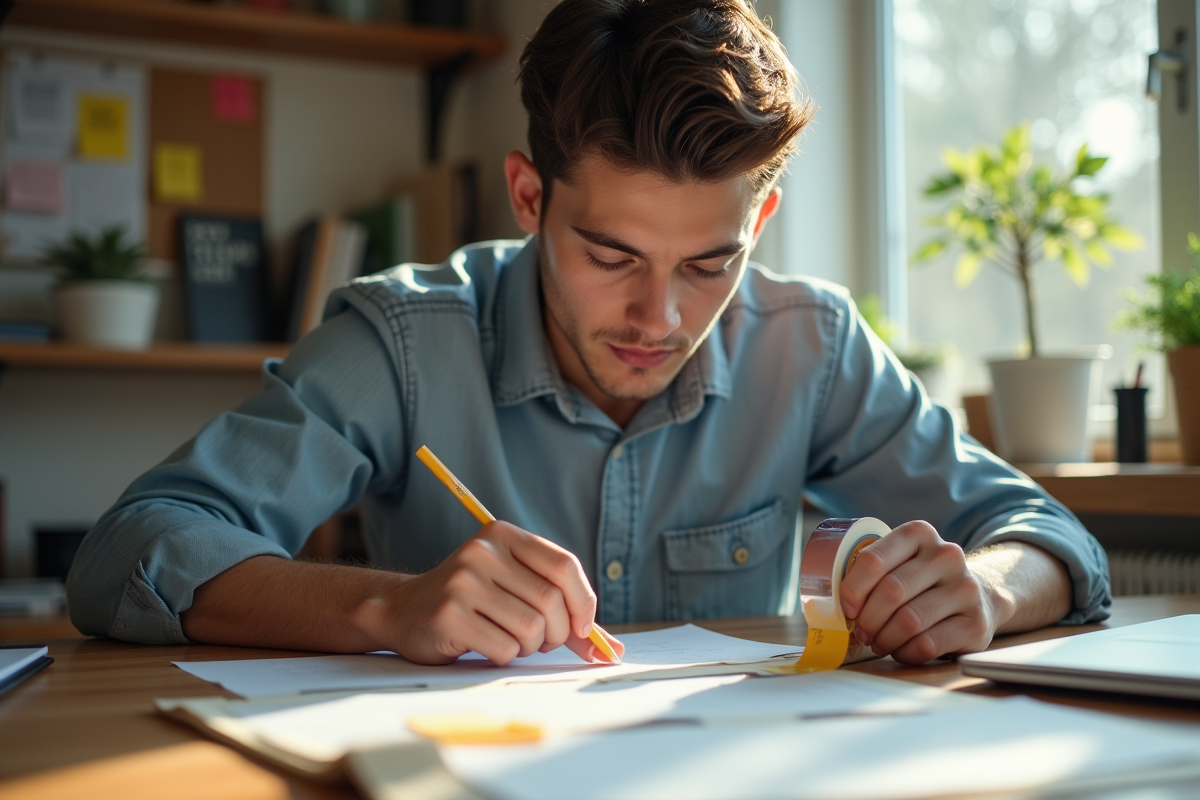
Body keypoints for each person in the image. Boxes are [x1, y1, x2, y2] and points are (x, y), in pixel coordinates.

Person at [67, 0, 1109, 667]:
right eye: (611, 255)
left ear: (761, 224)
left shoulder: (811, 344)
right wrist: (385, 607)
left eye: (710, 263)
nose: (661, 319)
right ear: (529, 195)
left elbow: (1053, 539)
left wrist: (983, 586)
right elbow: (129, 550)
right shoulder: (404, 339)